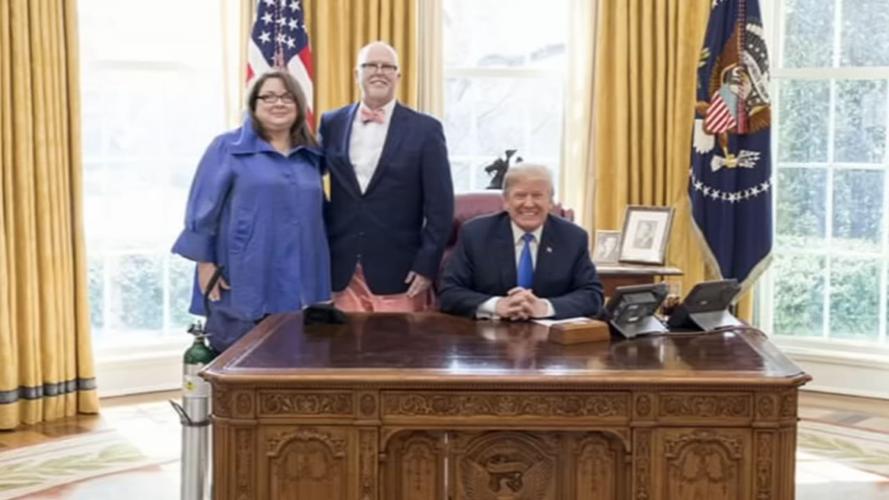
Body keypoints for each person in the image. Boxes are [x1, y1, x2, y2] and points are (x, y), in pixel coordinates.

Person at [172, 71, 330, 352]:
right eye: (268, 97)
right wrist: (205, 264)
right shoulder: (226, 148)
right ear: (254, 104)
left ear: (299, 104)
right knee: (240, 360)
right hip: (243, 273)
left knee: (298, 359)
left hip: (302, 275)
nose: (278, 103)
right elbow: (203, 208)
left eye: (287, 97)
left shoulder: (311, 155)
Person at [319, 41, 454, 313]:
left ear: (398, 76)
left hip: (401, 272)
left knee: (396, 342)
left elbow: (440, 206)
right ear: (357, 74)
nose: (379, 72)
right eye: (370, 65)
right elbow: (309, 180)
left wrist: (427, 265)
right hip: (341, 269)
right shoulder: (331, 123)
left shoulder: (426, 129)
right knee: (340, 341)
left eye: (387, 67)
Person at [439, 164, 604, 320]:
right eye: (520, 195)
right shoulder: (475, 234)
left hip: (551, 335)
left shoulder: (573, 238)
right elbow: (449, 292)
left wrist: (545, 307)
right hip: (488, 333)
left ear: (550, 202)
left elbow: (592, 295)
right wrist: (496, 305)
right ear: (506, 201)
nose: (529, 204)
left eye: (537, 195)